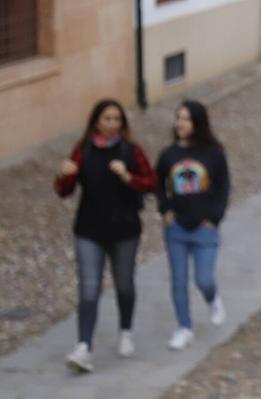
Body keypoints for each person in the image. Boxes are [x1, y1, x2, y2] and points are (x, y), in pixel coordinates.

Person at [54, 99, 157, 374]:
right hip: (89, 229)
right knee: (88, 288)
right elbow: (64, 189)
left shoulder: (131, 151)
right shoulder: (83, 150)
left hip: (124, 229)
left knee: (124, 283)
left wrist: (128, 177)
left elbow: (151, 183)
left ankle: (125, 331)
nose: (112, 124)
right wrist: (64, 175)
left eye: (117, 119)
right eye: (107, 119)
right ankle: (83, 347)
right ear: (96, 121)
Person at [156, 100, 231, 351]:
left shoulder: (214, 153)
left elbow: (223, 187)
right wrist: (165, 210)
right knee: (178, 281)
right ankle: (184, 328)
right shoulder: (168, 155)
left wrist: (215, 217)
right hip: (176, 228)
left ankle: (213, 298)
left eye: (186, 118)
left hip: (204, 228)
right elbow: (157, 185)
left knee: (203, 279)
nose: (180, 123)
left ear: (197, 122)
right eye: (178, 117)